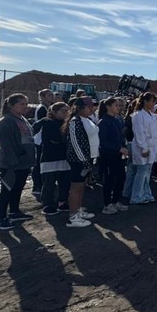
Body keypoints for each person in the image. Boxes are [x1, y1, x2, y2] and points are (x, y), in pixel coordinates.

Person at [0, 93, 36, 231]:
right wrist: (13, 162)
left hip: (24, 163)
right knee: (7, 190)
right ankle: (0, 219)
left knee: (18, 188)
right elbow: (6, 145)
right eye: (21, 104)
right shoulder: (6, 121)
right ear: (11, 105)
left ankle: (14, 211)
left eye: (26, 104)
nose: (25, 106)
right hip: (11, 164)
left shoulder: (22, 119)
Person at [64, 96, 98, 228]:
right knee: (75, 187)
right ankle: (73, 216)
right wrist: (83, 160)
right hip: (78, 160)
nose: (92, 109)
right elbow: (75, 143)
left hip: (87, 158)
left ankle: (78, 210)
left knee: (81, 185)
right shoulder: (74, 121)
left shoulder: (87, 119)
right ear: (80, 108)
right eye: (89, 106)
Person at [35, 101, 70, 216]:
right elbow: (54, 138)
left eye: (67, 111)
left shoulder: (67, 123)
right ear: (54, 112)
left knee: (64, 181)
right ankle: (48, 204)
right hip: (50, 157)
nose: (65, 113)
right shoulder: (47, 122)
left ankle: (62, 202)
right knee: (49, 182)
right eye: (63, 111)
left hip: (63, 157)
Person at [127, 93, 157, 204]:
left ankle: (146, 194)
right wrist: (144, 148)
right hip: (143, 148)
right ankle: (136, 197)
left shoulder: (151, 114)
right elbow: (139, 133)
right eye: (152, 101)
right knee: (141, 173)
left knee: (147, 173)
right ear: (145, 102)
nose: (154, 104)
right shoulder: (138, 115)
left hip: (152, 148)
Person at [98, 97, 128, 214]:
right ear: (108, 107)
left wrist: (123, 147)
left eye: (119, 105)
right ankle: (107, 204)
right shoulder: (103, 122)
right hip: (108, 156)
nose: (119, 107)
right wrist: (118, 148)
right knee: (109, 179)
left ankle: (116, 201)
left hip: (119, 155)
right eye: (116, 105)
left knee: (121, 178)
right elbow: (103, 142)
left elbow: (120, 137)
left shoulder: (117, 120)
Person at [31, 88, 55, 200]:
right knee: (38, 163)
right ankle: (37, 185)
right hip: (40, 139)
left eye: (52, 95)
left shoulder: (47, 107)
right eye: (49, 95)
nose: (52, 97)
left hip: (42, 138)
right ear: (43, 96)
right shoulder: (42, 108)